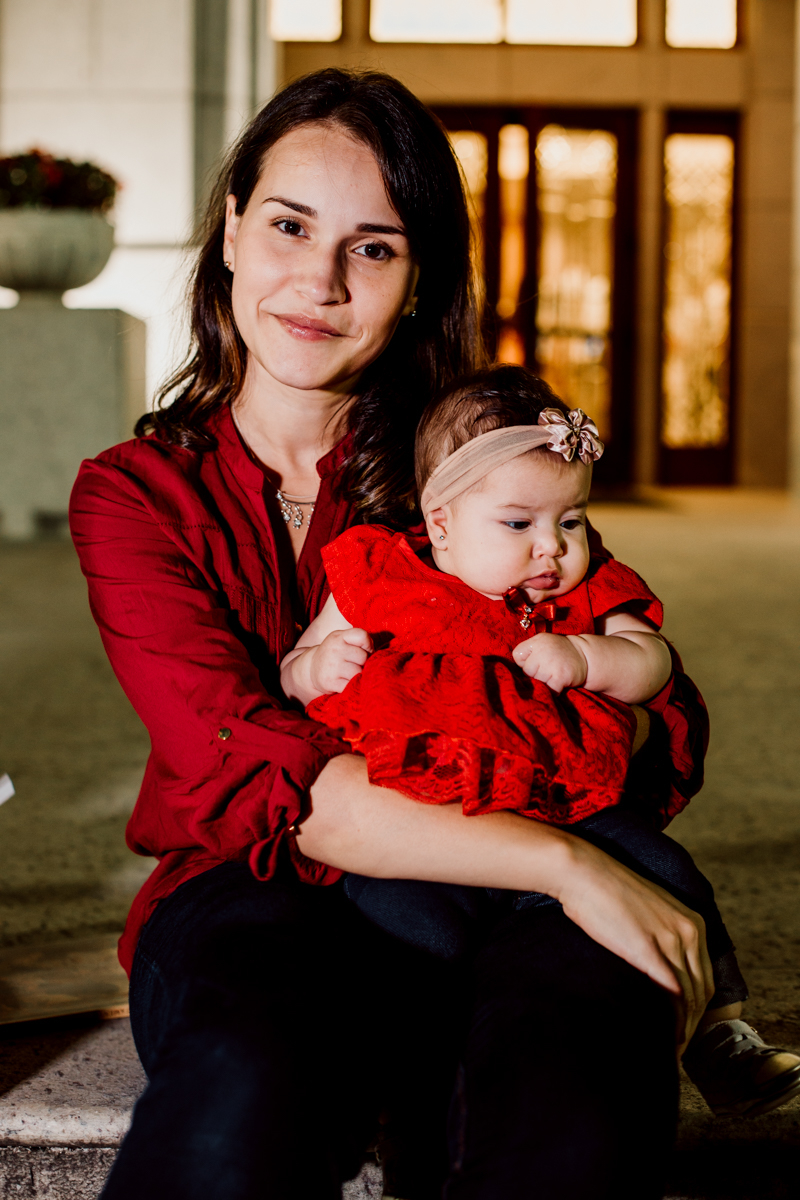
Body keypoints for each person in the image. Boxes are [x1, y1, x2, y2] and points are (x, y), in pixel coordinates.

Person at [71, 68, 714, 1200]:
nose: (316, 280)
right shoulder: (133, 495)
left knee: (574, 1071)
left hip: (501, 871)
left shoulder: (473, 473)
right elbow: (264, 775)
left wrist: (598, 690)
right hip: (253, 887)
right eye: (287, 226)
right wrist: (567, 866)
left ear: (417, 280)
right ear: (229, 232)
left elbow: (648, 713)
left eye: (371, 247)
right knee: (242, 1079)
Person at [281, 364, 800, 1122]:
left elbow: (652, 659)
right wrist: (318, 667)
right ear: (443, 521)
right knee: (398, 917)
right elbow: (296, 666)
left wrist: (592, 659)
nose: (551, 549)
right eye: (518, 524)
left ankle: (721, 1034)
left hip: (569, 803)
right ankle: (417, 1047)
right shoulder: (383, 576)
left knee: (667, 874)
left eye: (572, 520)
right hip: (426, 821)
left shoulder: (588, 594)